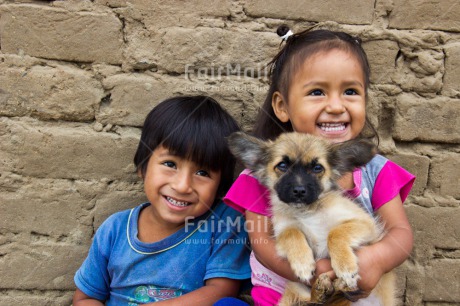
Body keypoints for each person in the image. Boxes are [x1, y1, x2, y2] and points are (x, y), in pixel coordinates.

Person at [222, 26, 415, 306]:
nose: (335, 106)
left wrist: (375, 258)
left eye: (349, 91)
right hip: (282, 297)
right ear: (282, 105)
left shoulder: (376, 170)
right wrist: (318, 274)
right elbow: (263, 244)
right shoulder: (258, 174)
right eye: (317, 92)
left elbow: (401, 233)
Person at [73, 96, 251, 306]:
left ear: (220, 186)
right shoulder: (115, 229)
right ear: (143, 166)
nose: (183, 186)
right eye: (170, 163)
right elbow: (85, 298)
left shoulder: (222, 223)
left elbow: (221, 292)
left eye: (202, 172)